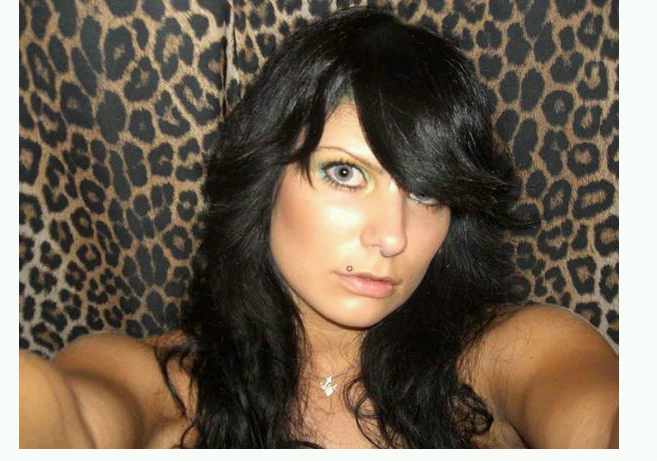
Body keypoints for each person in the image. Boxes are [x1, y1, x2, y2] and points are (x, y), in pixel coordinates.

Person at [19, 7, 618, 449]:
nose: (392, 237)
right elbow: (59, 416)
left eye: (427, 193)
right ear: (266, 177)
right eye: (345, 173)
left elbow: (605, 417)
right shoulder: (159, 385)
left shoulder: (512, 355)